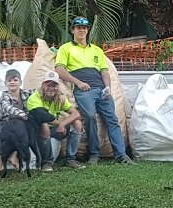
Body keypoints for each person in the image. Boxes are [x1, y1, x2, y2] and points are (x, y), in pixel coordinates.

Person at [54, 16, 135, 165]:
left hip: (101, 90)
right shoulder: (66, 48)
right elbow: (59, 69)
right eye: (78, 27)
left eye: (84, 28)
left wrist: (107, 88)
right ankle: (94, 153)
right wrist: (78, 83)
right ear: (73, 30)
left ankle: (121, 155)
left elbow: (104, 71)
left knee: (112, 119)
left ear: (87, 31)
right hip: (83, 90)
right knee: (90, 117)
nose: (82, 30)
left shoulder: (96, 50)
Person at [26, 71, 85, 172]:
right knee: (44, 125)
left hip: (55, 128)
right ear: (42, 85)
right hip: (36, 132)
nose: (51, 88)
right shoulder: (34, 98)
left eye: (54, 85)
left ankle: (70, 159)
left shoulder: (60, 98)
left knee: (77, 123)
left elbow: (76, 114)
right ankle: (46, 162)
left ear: (58, 87)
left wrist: (63, 124)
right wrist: (60, 124)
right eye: (48, 85)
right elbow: (43, 116)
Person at [0, 69, 33, 174]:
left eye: (15, 80)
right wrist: (23, 114)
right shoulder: (4, 96)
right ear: (5, 83)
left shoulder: (26, 93)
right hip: (6, 122)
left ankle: (14, 155)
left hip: (21, 123)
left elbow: (40, 93)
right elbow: (7, 108)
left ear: (20, 82)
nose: (12, 82)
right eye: (9, 80)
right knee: (4, 135)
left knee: (24, 133)